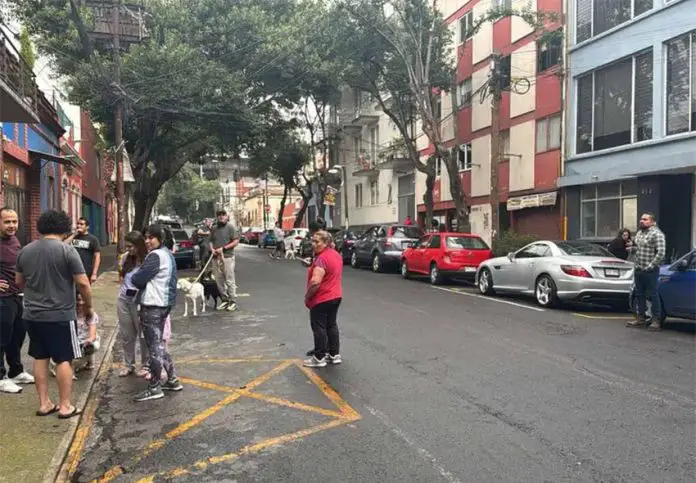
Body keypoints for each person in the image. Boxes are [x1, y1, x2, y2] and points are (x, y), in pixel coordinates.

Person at [16, 210, 93, 418]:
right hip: (60, 315)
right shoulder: (67, 251)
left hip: (31, 314)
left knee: (40, 356)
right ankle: (66, 405)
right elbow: (83, 284)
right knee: (63, 358)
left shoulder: (26, 251)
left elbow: (19, 282)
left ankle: (44, 404)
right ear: (64, 227)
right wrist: (88, 307)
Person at [131, 224, 183, 402]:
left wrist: (137, 274)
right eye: (145, 237)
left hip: (153, 305)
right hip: (164, 304)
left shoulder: (155, 256)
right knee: (160, 344)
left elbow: (138, 279)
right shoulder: (168, 254)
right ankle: (172, 380)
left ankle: (154, 386)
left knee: (154, 347)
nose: (147, 241)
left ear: (160, 238)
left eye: (150, 237)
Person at [0, 207, 34, 393]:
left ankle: (16, 371)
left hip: (17, 296)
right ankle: (0, 377)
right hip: (2, 299)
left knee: (17, 336)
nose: (12, 225)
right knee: (1, 338)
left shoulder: (14, 240)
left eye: (14, 221)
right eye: (7, 221)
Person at [303, 230, 344, 368]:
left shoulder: (322, 259)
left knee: (319, 327)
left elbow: (315, 282)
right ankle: (334, 354)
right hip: (336, 296)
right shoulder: (336, 255)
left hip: (322, 297)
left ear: (325, 243)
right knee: (331, 325)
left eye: (317, 241)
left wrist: (308, 296)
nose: (313, 244)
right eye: (312, 240)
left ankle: (319, 357)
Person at [117, 231, 150, 378]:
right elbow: (122, 278)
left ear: (139, 245)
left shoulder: (148, 260)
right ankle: (128, 364)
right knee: (127, 335)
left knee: (143, 335)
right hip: (124, 299)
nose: (129, 249)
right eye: (127, 246)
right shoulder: (125, 258)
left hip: (140, 301)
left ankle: (145, 365)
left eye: (131, 246)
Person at [627, 213, 666, 331]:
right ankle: (641, 319)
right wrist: (632, 249)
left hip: (651, 270)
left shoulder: (657, 234)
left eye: (645, 219)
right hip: (638, 268)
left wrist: (650, 266)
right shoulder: (639, 233)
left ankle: (656, 321)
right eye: (641, 219)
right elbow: (639, 249)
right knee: (640, 294)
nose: (642, 221)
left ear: (652, 222)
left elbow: (661, 253)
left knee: (653, 294)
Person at [209, 210, 239, 312]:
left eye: (223, 215)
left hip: (227, 257)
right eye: (219, 215)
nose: (221, 217)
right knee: (218, 280)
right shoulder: (214, 228)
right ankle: (224, 300)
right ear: (217, 217)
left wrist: (224, 248)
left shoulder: (230, 227)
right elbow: (211, 241)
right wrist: (212, 249)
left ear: (226, 216)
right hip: (215, 258)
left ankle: (233, 301)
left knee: (229, 279)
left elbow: (236, 241)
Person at [65, 217, 101, 284]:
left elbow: (97, 257)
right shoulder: (72, 237)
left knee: (82, 291)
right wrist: (74, 235)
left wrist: (94, 273)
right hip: (71, 269)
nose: (78, 226)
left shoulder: (93, 239)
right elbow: (62, 246)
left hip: (85, 270)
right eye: (77, 224)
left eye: (81, 224)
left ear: (87, 227)